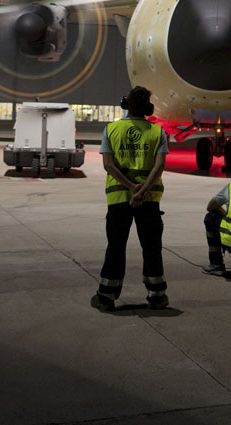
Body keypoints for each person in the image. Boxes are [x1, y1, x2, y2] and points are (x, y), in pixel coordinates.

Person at [92, 86, 169, 311]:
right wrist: (142, 191)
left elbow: (108, 165)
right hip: (149, 199)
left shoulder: (111, 129)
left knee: (116, 247)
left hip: (119, 199)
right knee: (152, 248)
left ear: (126, 105)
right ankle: (157, 296)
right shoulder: (157, 132)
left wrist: (131, 187)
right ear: (148, 108)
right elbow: (159, 167)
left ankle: (107, 296)